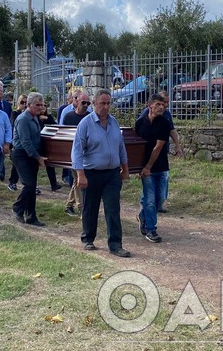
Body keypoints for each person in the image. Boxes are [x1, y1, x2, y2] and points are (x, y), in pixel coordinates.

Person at [72, 89, 131, 257]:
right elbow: (77, 152)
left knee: (113, 208)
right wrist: (81, 175)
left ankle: (115, 245)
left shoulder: (114, 123)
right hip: (91, 173)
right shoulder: (85, 124)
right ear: (94, 104)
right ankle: (88, 238)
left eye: (108, 103)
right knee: (90, 207)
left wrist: (125, 169)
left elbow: (121, 147)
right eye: (102, 103)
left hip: (112, 174)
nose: (106, 107)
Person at [138, 90, 183, 212]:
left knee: (162, 184)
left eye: (166, 104)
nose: (164, 106)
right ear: (151, 104)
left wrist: (178, 146)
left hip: (163, 153)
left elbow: (172, 130)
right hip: (149, 156)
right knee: (149, 192)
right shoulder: (144, 116)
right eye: (161, 103)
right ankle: (145, 213)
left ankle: (159, 204)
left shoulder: (166, 115)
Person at [135, 94, 171, 243]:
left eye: (163, 105)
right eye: (157, 104)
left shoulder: (164, 123)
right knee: (149, 199)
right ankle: (151, 229)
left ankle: (143, 216)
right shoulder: (139, 123)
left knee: (160, 198)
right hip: (145, 169)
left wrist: (149, 166)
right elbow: (135, 146)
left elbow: (158, 147)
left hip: (160, 166)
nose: (161, 107)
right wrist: (139, 167)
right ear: (149, 105)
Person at [11, 92, 47, 226]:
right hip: (21, 154)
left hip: (31, 154)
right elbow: (25, 141)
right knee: (29, 184)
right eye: (37, 105)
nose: (40, 107)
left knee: (32, 187)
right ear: (29, 105)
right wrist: (38, 157)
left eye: (42, 105)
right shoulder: (23, 119)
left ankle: (31, 216)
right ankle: (18, 207)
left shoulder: (34, 117)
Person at [62, 92, 91, 217]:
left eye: (88, 103)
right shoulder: (68, 116)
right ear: (76, 101)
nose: (85, 105)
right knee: (78, 179)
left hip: (87, 155)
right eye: (83, 102)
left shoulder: (90, 117)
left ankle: (69, 205)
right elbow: (63, 134)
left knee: (76, 180)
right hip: (73, 154)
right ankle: (81, 207)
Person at [39, 104, 62, 192]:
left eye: (45, 105)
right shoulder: (35, 117)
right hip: (38, 143)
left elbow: (55, 125)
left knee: (50, 165)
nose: (43, 107)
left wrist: (46, 118)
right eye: (42, 105)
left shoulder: (48, 116)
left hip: (47, 143)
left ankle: (54, 184)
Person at [7, 94, 27, 191]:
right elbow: (13, 123)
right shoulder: (15, 113)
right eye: (22, 102)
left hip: (26, 142)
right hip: (17, 143)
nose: (24, 104)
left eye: (26, 102)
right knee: (16, 164)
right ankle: (12, 182)